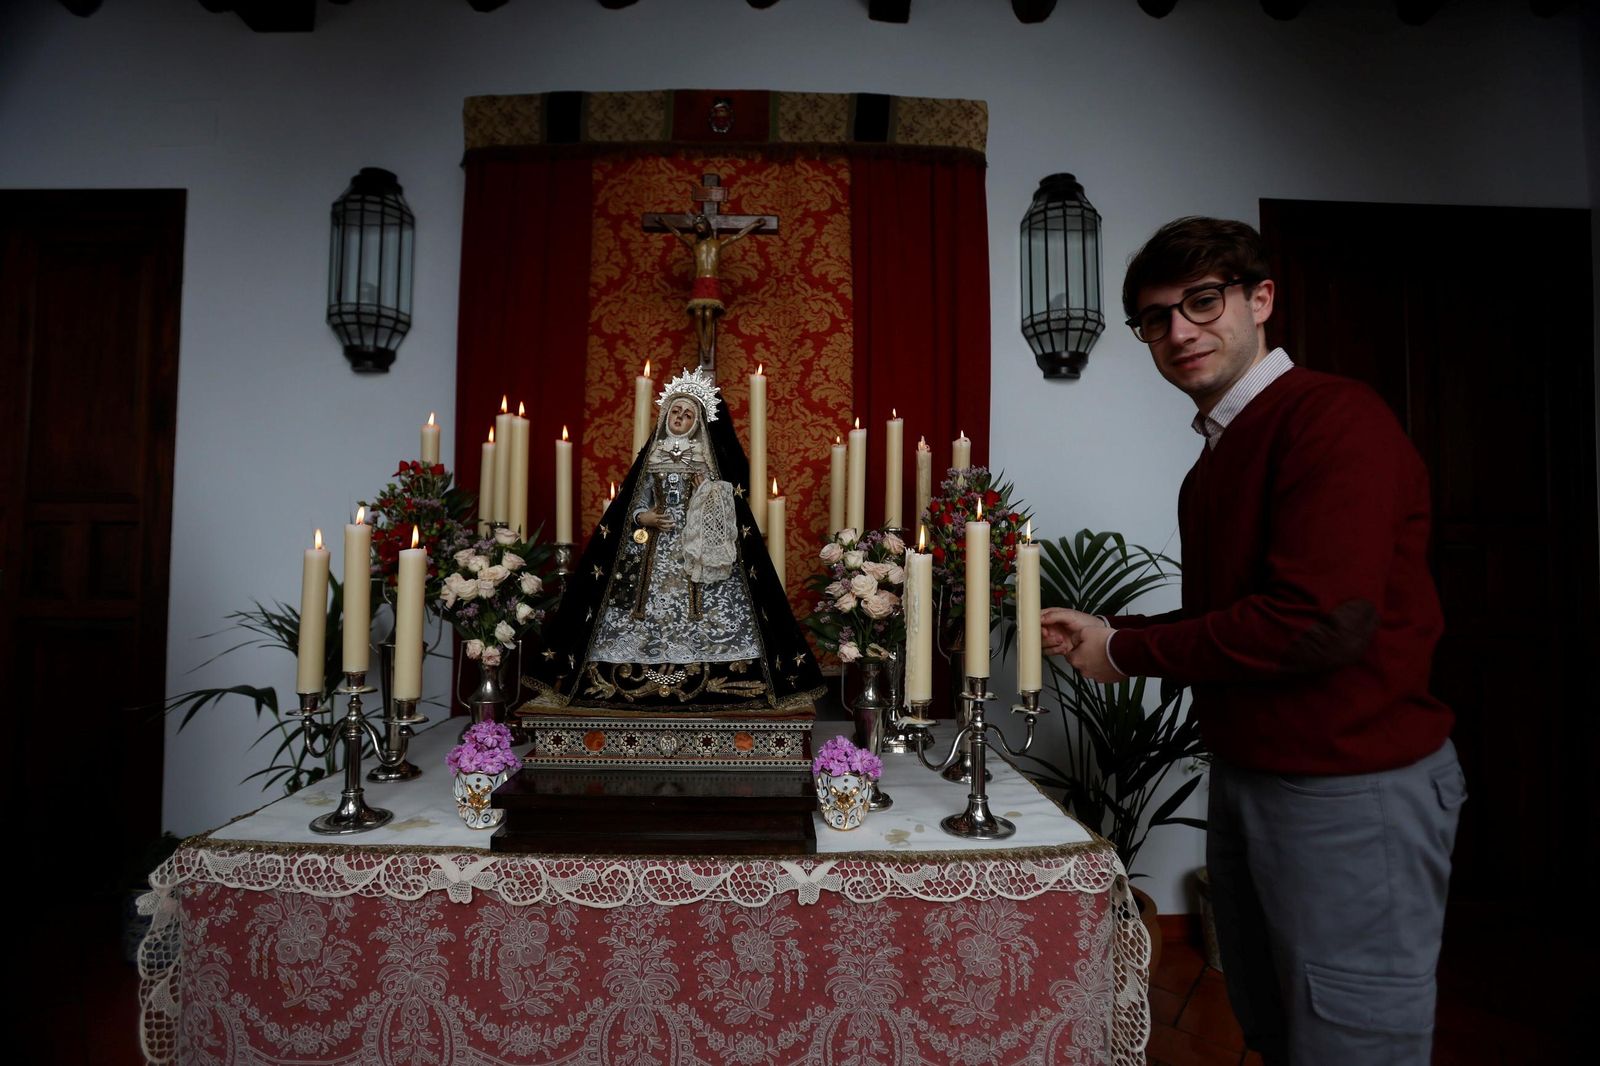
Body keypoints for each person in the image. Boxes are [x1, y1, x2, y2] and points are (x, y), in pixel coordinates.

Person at [1041, 217, 1465, 1065]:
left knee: (1353, 1047)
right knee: (1278, 1032)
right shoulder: (1217, 459)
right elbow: (1255, 611)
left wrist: (1128, 653)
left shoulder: (1331, 417)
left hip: (1351, 788)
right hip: (1258, 779)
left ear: (1260, 299)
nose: (1180, 332)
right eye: (1156, 319)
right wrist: (1118, 631)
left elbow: (1318, 624)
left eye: (1202, 302)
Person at [525, 367, 823, 713]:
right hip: (654, 551)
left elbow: (721, 504)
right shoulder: (652, 457)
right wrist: (644, 517)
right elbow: (632, 504)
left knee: (707, 604)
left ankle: (713, 672)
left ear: (698, 423)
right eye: (675, 412)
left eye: (688, 414)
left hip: (696, 547)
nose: (680, 418)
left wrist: (707, 490)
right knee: (641, 608)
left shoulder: (703, 460)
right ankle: (633, 671)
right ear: (665, 415)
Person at [662, 213, 764, 362]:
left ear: (707, 226)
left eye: (702, 225)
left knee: (709, 315)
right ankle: (703, 344)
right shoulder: (695, 245)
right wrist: (665, 223)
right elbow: (678, 235)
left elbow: (737, 236)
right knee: (698, 313)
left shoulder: (717, 243)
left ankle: (706, 349)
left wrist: (754, 225)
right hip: (699, 281)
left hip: (712, 281)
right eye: (697, 227)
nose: (700, 229)